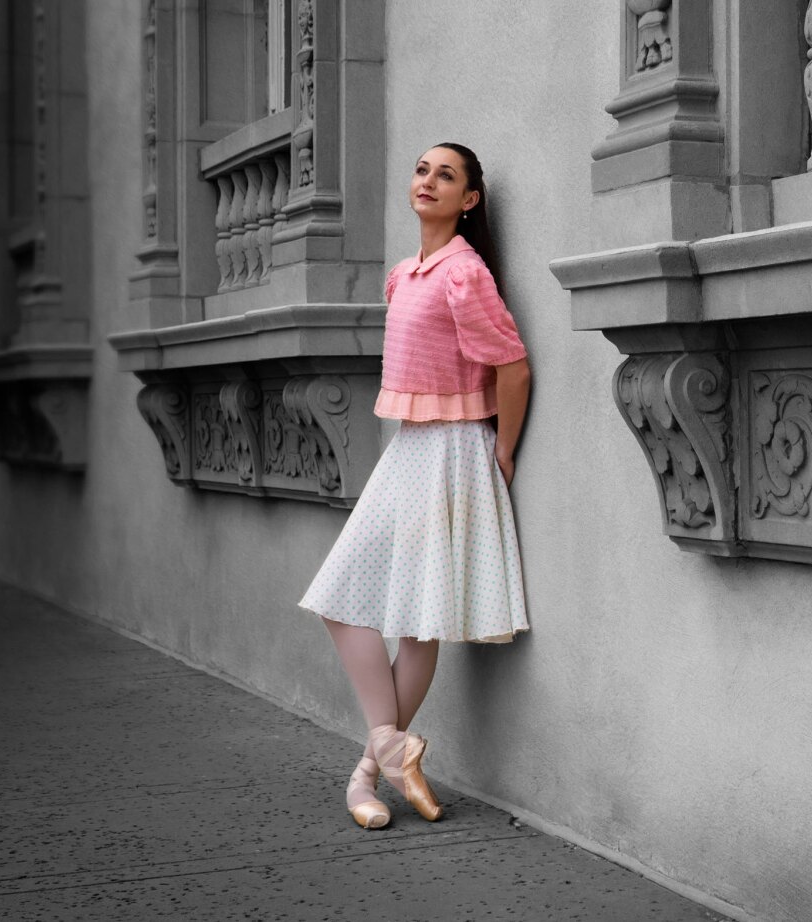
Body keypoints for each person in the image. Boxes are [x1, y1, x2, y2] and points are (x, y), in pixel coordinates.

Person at [299, 142, 531, 829]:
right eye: (423, 169)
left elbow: (513, 367)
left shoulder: (466, 274)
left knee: (418, 623)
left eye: (447, 175)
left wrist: (506, 451)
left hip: (456, 449)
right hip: (410, 447)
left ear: (470, 201)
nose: (428, 181)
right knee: (345, 598)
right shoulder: (404, 275)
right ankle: (392, 750)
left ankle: (369, 774)